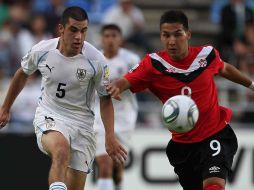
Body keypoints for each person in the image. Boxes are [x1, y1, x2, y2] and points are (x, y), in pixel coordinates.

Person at [106, 10, 254, 190]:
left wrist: (251, 84)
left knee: (214, 185)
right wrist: (117, 86)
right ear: (160, 36)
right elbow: (127, 79)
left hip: (215, 134)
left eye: (177, 34)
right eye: (166, 35)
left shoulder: (206, 55)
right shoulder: (153, 64)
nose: (172, 41)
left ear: (188, 34)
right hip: (183, 146)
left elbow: (224, 68)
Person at [0, 6, 127, 190]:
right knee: (61, 149)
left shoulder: (96, 61)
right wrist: (5, 108)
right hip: (50, 114)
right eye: (74, 30)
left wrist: (109, 136)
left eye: (83, 31)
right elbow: (22, 73)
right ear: (61, 29)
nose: (79, 37)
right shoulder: (42, 50)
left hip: (83, 125)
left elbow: (105, 99)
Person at [94, 24, 139, 190]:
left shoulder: (131, 60)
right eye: (107, 36)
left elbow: (143, 84)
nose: (110, 40)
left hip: (124, 116)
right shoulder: (95, 59)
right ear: (101, 39)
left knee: (116, 165)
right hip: (100, 116)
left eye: (114, 36)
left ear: (120, 39)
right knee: (104, 164)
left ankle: (118, 184)